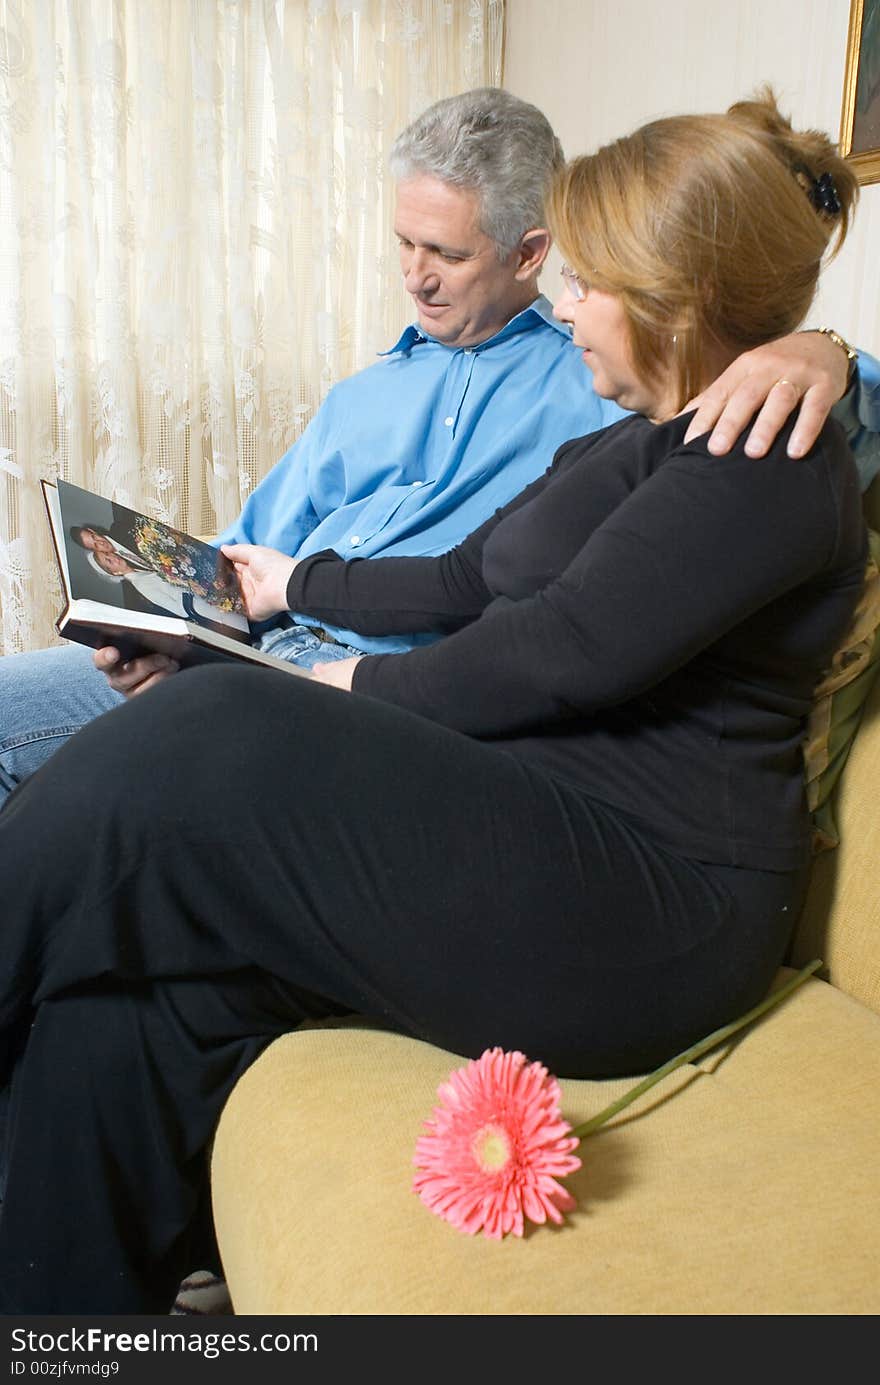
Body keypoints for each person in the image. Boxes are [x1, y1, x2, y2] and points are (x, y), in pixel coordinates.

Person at [0, 90, 867, 1314]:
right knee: (129, 1009)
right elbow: (464, 577)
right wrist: (282, 587)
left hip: (653, 908)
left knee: (211, 728)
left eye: (589, 281)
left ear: (676, 302)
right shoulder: (624, 444)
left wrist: (314, 679)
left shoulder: (769, 456)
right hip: (540, 829)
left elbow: (560, 652)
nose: (563, 303)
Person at [2, 87, 879, 801]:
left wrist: (823, 352)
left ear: (531, 252)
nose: (413, 274)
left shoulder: (608, 372)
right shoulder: (363, 392)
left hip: (383, 693)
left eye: (446, 253)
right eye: (404, 243)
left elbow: (782, 419)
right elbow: (234, 563)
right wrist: (170, 634)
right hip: (260, 650)